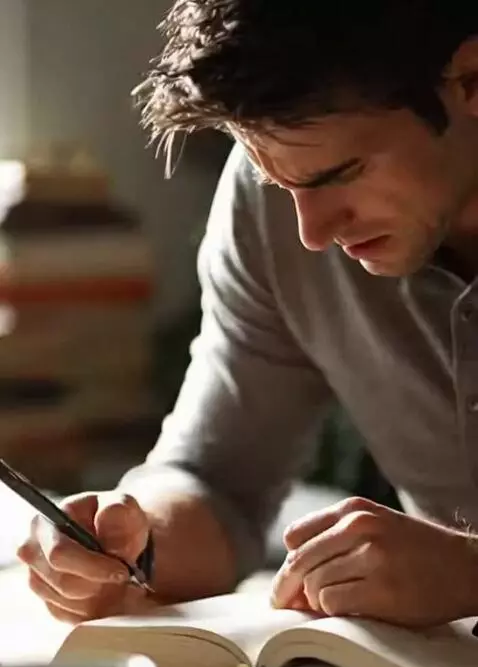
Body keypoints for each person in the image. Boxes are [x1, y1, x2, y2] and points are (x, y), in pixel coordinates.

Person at [18, 2, 478, 628]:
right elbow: (218, 482)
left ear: (470, 80)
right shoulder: (274, 204)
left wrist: (466, 574)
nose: (311, 234)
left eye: (343, 174)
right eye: (280, 184)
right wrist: (134, 542)